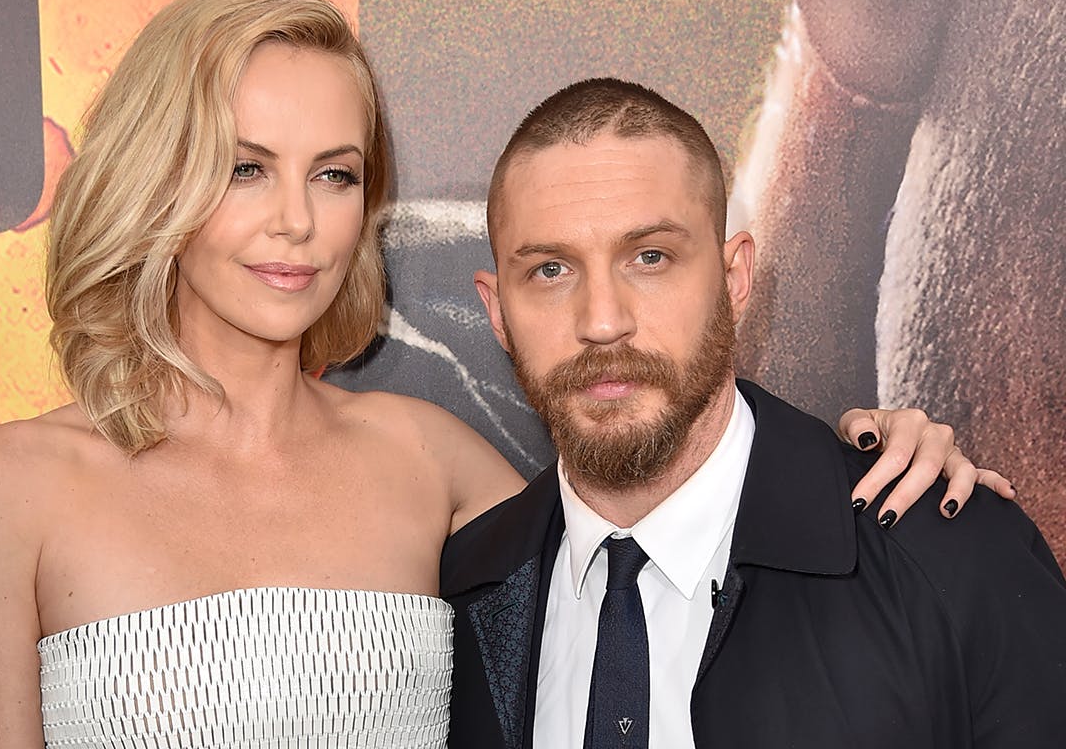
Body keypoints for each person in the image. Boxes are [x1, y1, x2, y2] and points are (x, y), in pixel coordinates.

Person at [0, 0, 1004, 749]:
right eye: (244, 168)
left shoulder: (434, 463)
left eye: (336, 174)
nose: (298, 222)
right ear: (156, 174)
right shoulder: (10, 486)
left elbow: (685, 516)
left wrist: (869, 451)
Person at [443, 77, 1066, 749]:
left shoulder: (955, 557)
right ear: (497, 312)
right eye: (550, 271)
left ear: (735, 279)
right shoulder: (453, 597)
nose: (602, 321)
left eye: (650, 257)